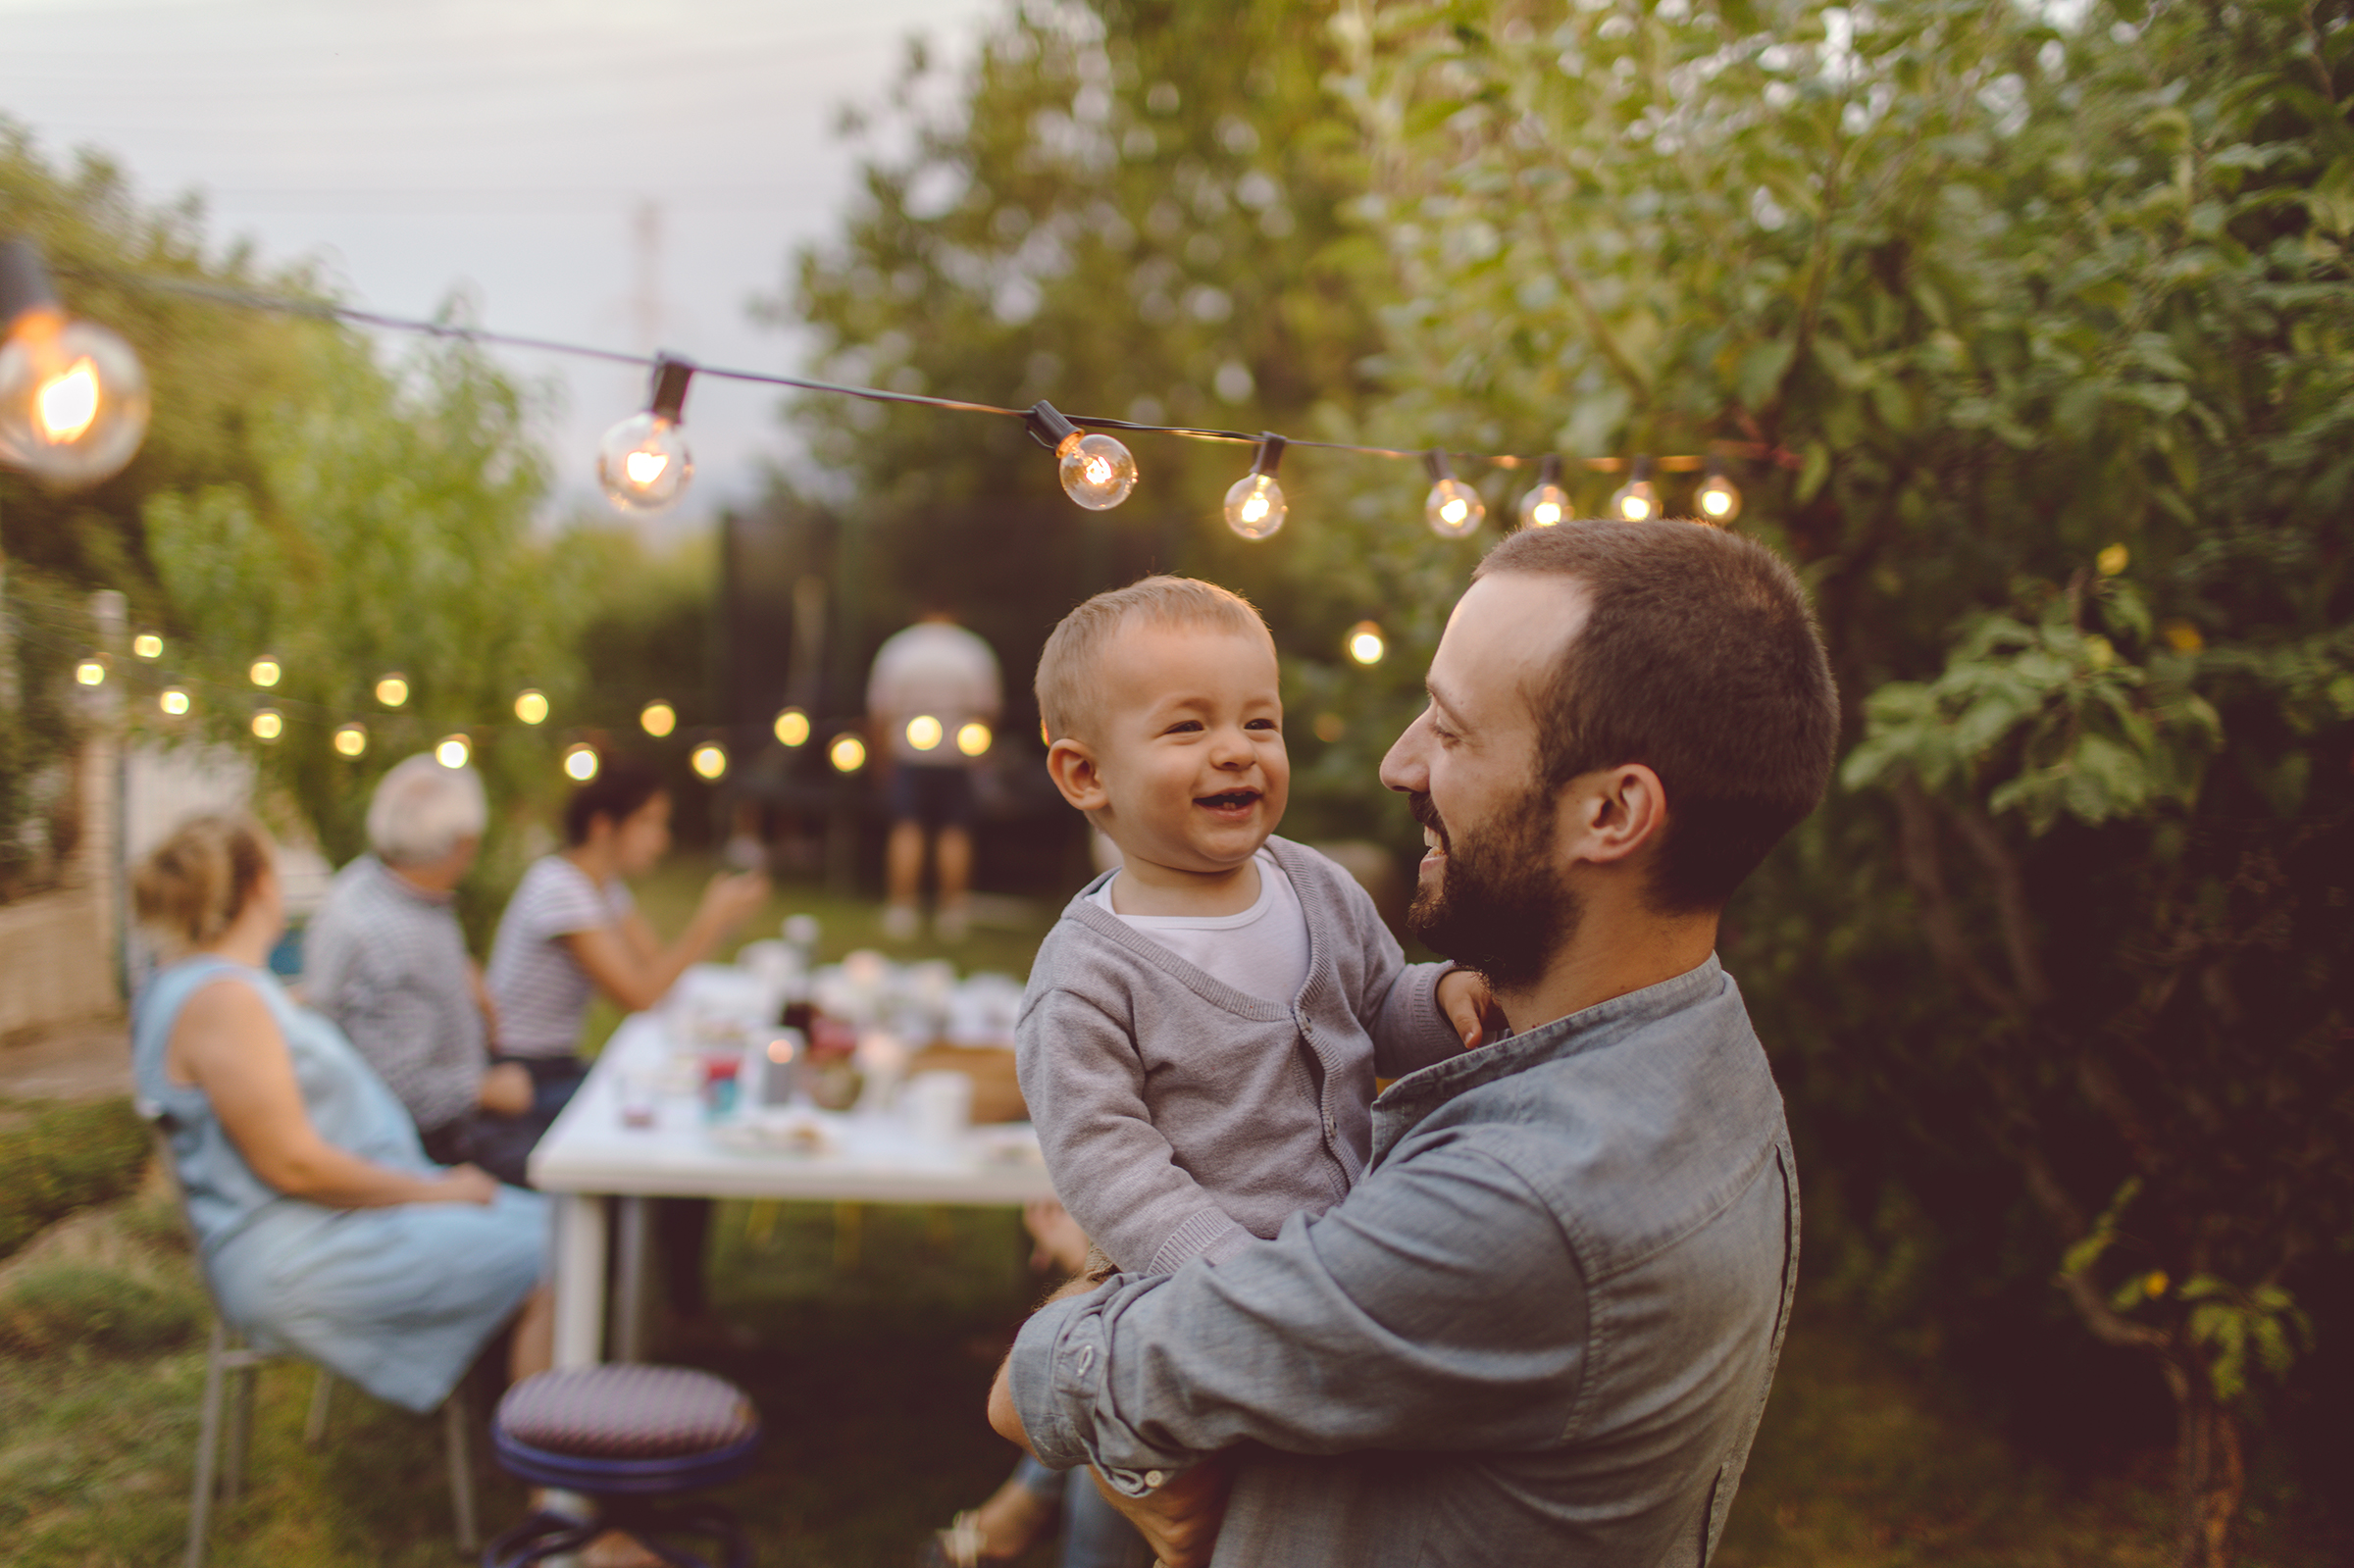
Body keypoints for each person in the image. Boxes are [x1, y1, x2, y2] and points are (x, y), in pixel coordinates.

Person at [988, 520, 1842, 1567]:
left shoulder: (1526, 1205)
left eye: (1451, 729)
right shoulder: (1699, 1047)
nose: (1398, 763)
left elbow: (1031, 1390)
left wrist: (1079, 1309)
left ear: (1613, 812)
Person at [937, 577, 1495, 1568]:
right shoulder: (1088, 974)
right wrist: (1225, 1272)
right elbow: (1107, 1165)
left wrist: (1440, 1001)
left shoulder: (1311, 885)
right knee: (1158, 1515)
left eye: (1259, 722)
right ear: (1084, 774)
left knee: (1287, 1502)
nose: (1236, 749)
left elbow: (1378, 1009)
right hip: (1185, 1292)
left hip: (1330, 1270)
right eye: (1188, 727)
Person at [129, 813, 551, 1414]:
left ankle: (544, 1440)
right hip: (302, 1250)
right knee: (565, 1247)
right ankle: (562, 1490)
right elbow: (294, 1167)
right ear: (260, 888)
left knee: (559, 1222)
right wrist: (435, 1191)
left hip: (326, 1228)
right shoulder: (226, 1002)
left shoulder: (199, 984)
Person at [483, 754, 767, 1333]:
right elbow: (639, 993)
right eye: (651, 823)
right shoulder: (558, 890)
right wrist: (709, 922)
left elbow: (657, 975)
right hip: (521, 1077)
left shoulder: (601, 889)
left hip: (555, 1066)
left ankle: (672, 1304)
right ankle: (660, 1310)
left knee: (686, 1118)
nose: (661, 842)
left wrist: (710, 929)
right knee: (672, 1127)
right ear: (603, 826)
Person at [304, 754, 536, 1183]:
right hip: (427, 1150)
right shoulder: (395, 937)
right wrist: (485, 1089)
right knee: (589, 1174)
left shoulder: (367, 883)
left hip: (442, 1117)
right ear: (463, 844)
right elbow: (394, 1089)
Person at [867, 603, 1002, 942]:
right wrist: (982, 758)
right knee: (955, 831)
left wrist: (881, 761)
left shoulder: (899, 649)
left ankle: (902, 910)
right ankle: (952, 913)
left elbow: (880, 713)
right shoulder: (972, 651)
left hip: (908, 754)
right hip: (956, 756)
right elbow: (988, 712)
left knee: (907, 827)